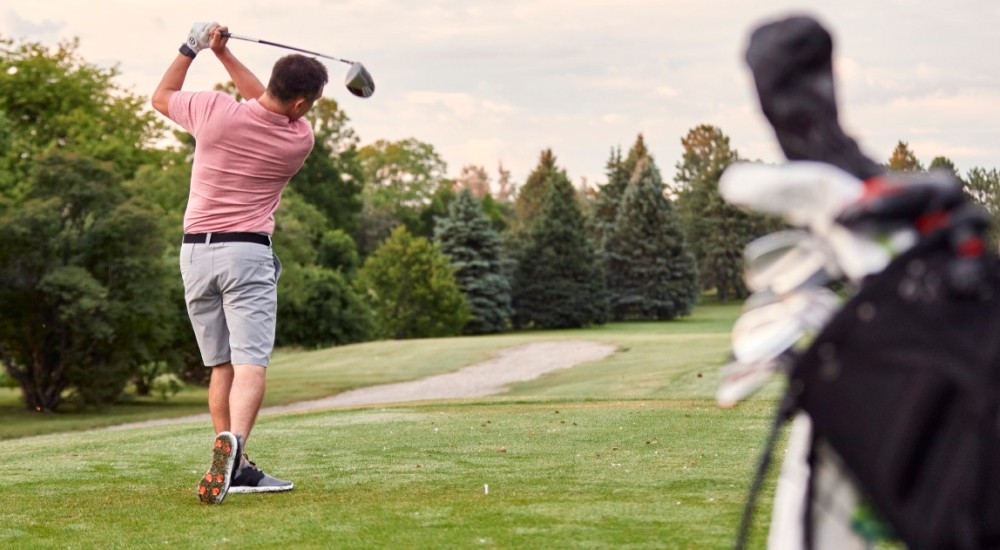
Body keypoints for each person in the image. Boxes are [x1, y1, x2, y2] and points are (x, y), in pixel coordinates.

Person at [151, 21, 328, 504]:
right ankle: (237, 448)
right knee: (251, 361)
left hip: (194, 253)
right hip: (246, 253)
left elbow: (162, 94)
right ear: (301, 105)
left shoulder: (212, 110)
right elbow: (272, 107)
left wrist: (197, 48)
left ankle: (234, 463)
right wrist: (225, 57)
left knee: (221, 364)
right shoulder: (299, 140)